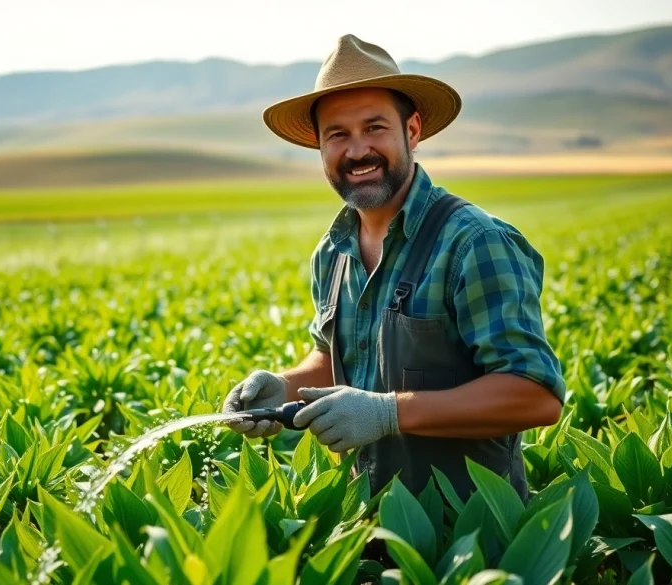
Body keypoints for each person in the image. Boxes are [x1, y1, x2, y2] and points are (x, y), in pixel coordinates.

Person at [221, 34, 565, 502]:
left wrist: (389, 413)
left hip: (471, 535)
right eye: (337, 134)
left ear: (413, 131)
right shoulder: (333, 252)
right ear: (320, 150)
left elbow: (536, 394)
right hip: (364, 524)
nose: (357, 150)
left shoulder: (473, 242)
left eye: (375, 127)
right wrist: (283, 385)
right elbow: (336, 359)